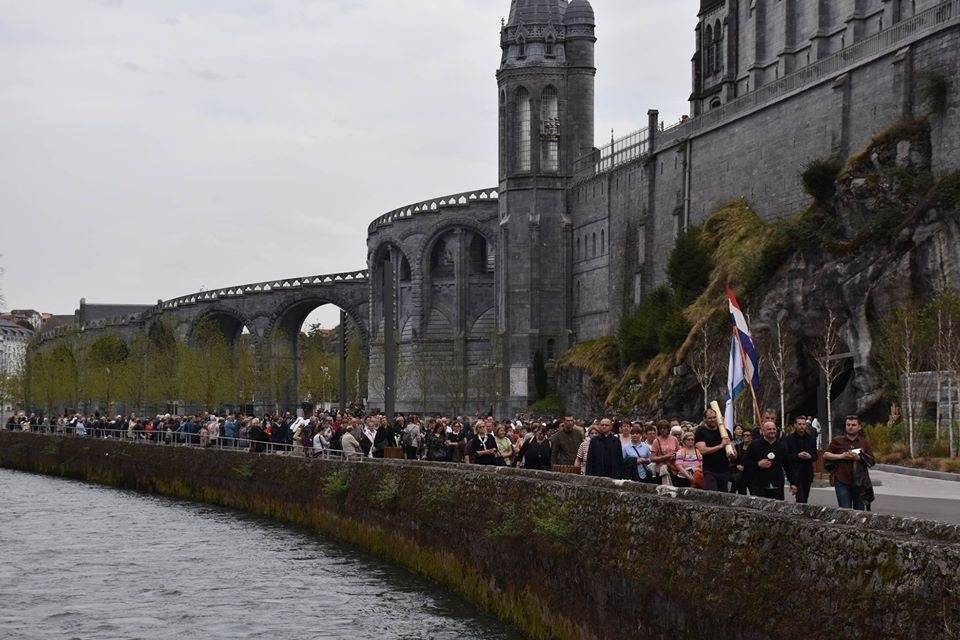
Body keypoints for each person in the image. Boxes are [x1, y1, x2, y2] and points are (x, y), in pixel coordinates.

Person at [824, 415, 875, 511]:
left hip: (860, 482)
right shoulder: (837, 440)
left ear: (859, 427)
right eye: (848, 424)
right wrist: (841, 456)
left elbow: (872, 461)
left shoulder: (864, 442)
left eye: (853, 425)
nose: (850, 427)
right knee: (845, 511)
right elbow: (826, 455)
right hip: (841, 480)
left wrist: (858, 458)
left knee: (859, 512)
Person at [745, 420, 795, 500]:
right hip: (759, 485)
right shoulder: (754, 445)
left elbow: (788, 466)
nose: (772, 431)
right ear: (763, 431)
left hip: (777, 485)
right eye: (769, 429)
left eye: (774, 429)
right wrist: (758, 464)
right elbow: (745, 462)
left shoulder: (782, 447)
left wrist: (793, 483)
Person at [695, 408, 734, 492]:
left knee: (724, 496)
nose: (712, 420)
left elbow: (733, 451)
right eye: (710, 418)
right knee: (712, 494)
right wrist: (720, 446)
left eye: (714, 417)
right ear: (704, 419)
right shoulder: (700, 432)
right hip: (709, 470)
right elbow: (703, 451)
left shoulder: (725, 432)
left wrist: (732, 454)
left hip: (724, 470)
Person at [784, 416, 818, 504]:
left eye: (803, 424)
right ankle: (799, 514)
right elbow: (786, 456)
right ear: (795, 425)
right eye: (799, 424)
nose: (802, 426)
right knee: (800, 497)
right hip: (795, 472)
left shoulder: (811, 438)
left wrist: (810, 456)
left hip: (807, 472)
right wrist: (798, 455)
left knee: (805, 498)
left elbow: (815, 456)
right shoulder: (789, 439)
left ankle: (802, 513)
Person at [650, 420, 679, 485]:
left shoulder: (674, 439)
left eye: (665, 428)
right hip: (661, 470)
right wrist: (665, 457)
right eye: (661, 428)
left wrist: (674, 455)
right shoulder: (656, 441)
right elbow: (652, 458)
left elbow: (679, 453)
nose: (663, 430)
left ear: (668, 429)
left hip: (672, 468)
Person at [731, 429, 753, 495]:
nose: (745, 436)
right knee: (742, 494)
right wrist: (736, 466)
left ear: (751, 437)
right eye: (744, 435)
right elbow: (732, 460)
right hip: (740, 475)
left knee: (754, 493)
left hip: (751, 475)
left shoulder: (755, 447)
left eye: (748, 435)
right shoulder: (737, 447)